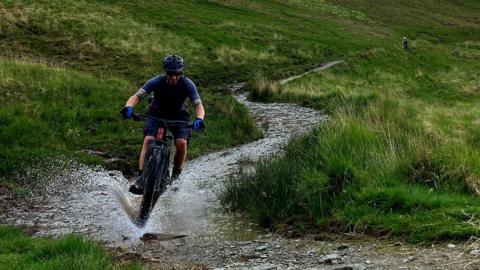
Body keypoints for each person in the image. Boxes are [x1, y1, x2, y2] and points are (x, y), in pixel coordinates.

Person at [120, 54, 205, 195]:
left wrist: (199, 119)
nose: (173, 77)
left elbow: (198, 104)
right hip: (156, 114)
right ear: (166, 72)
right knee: (148, 140)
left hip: (179, 116)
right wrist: (128, 107)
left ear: (181, 72)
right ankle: (141, 178)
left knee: (182, 143)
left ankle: (175, 177)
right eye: (171, 74)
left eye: (177, 74)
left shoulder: (187, 84)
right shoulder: (156, 81)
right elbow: (137, 96)